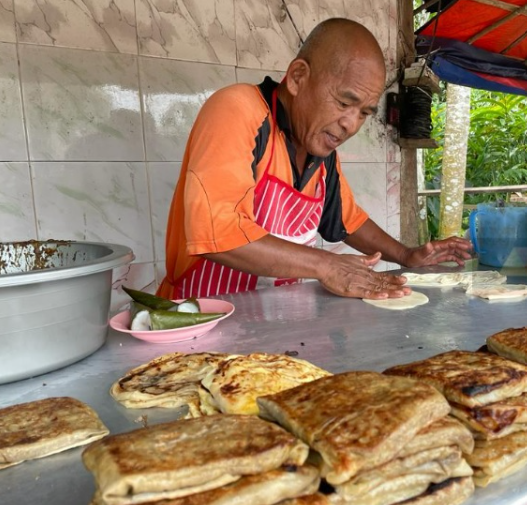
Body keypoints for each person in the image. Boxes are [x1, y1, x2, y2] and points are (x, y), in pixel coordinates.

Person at [158, 18, 472, 301]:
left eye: (363, 112)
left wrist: (406, 255)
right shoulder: (238, 110)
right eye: (343, 102)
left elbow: (347, 221)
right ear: (297, 78)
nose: (350, 124)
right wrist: (326, 266)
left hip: (278, 321)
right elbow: (215, 232)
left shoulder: (320, 153)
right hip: (202, 320)